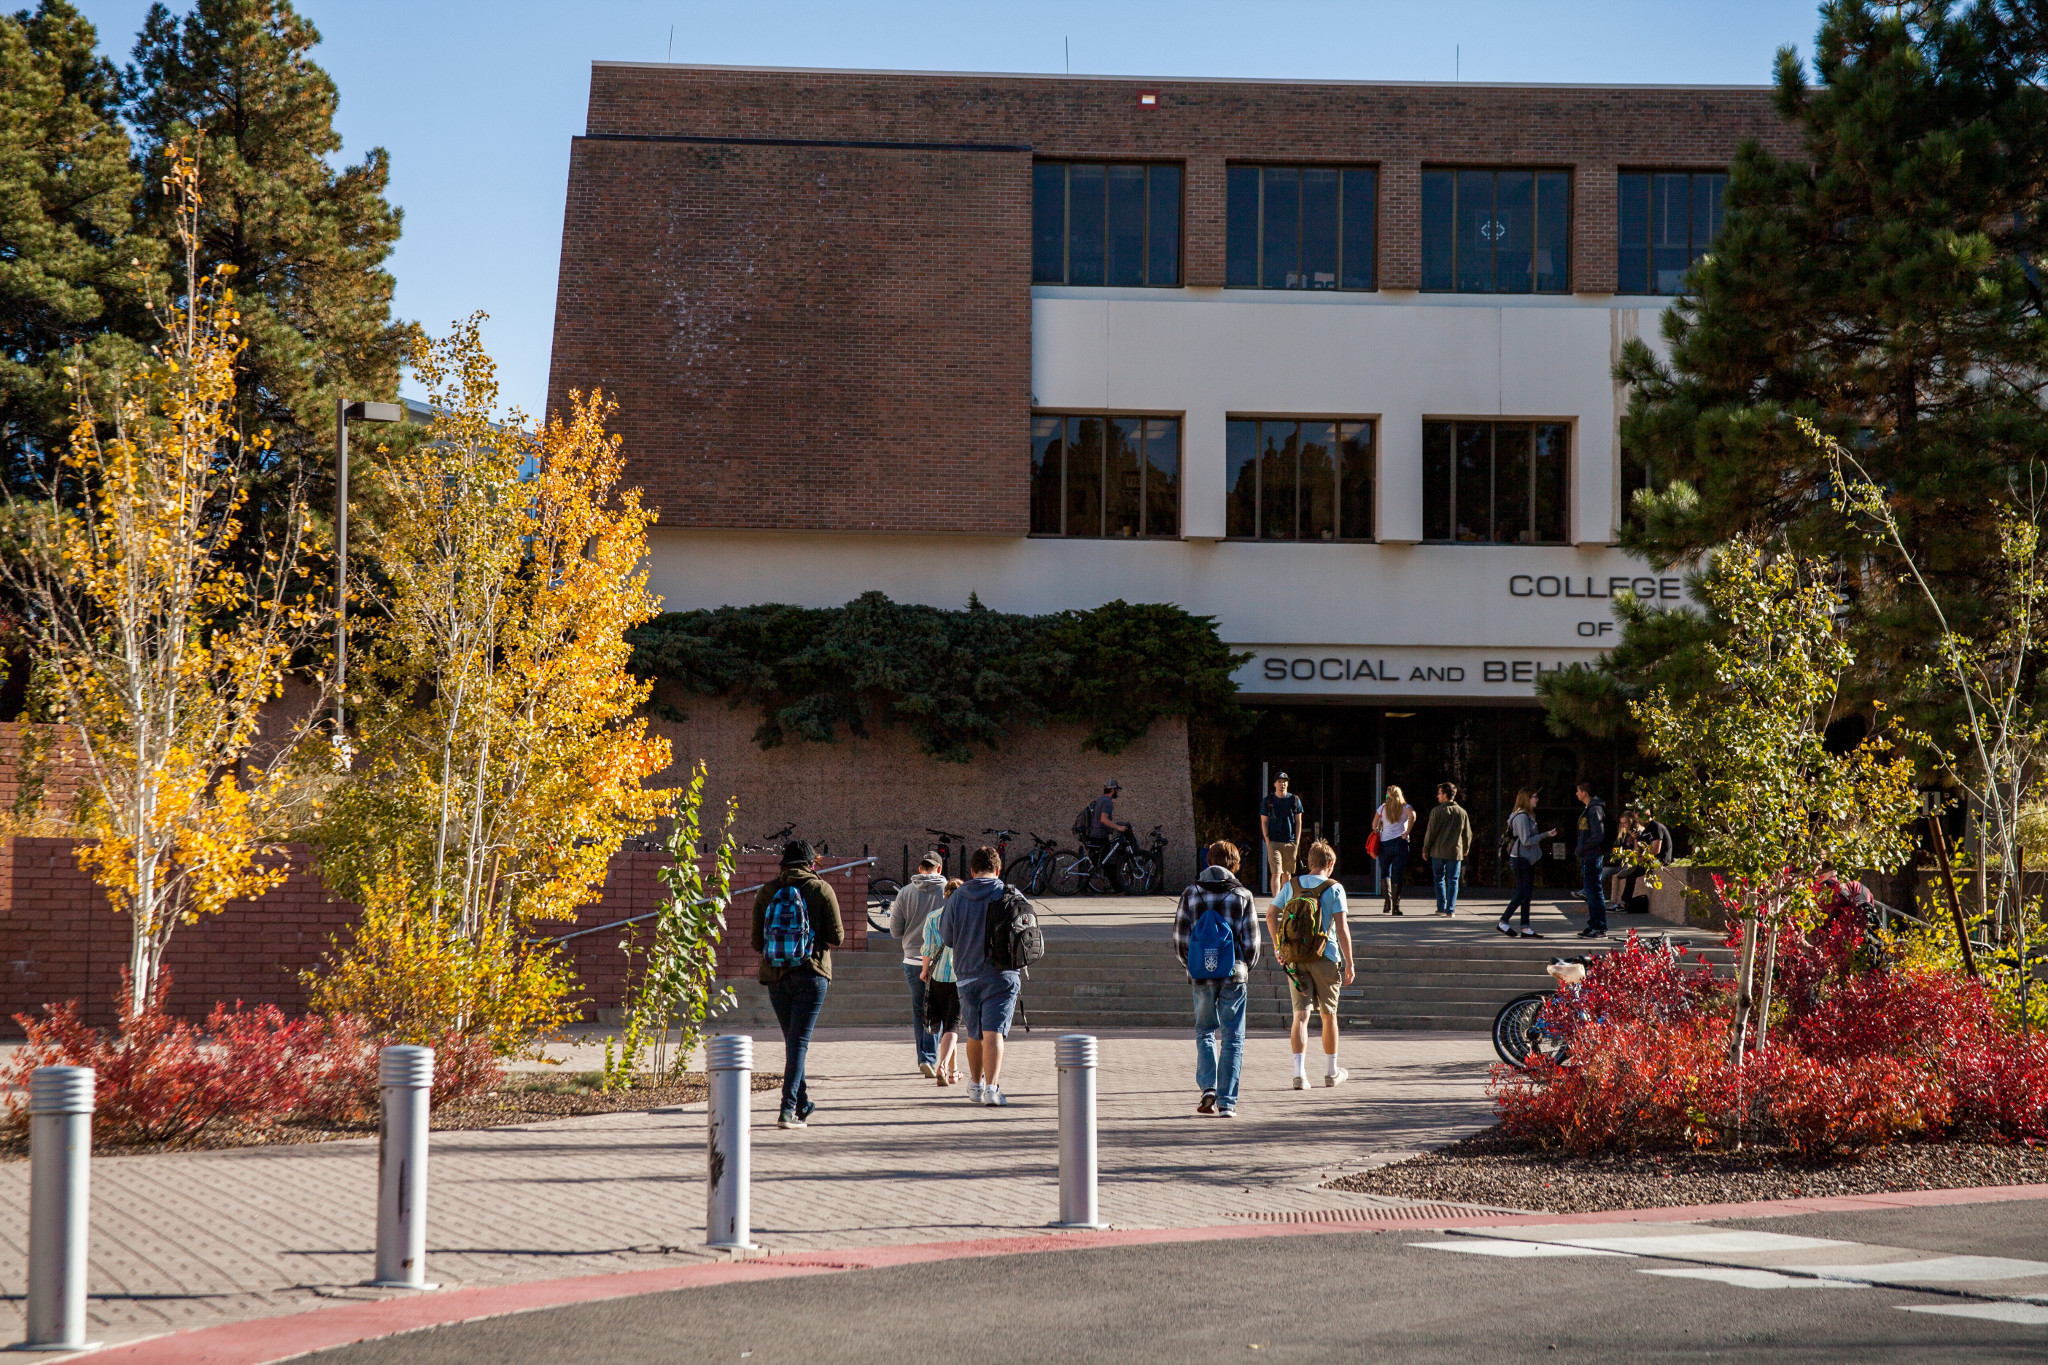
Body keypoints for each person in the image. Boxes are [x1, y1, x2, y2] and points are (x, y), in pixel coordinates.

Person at [750, 839, 843, 1130]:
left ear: (783, 863)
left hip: (776, 975)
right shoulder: (820, 889)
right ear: (810, 863)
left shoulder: (767, 891)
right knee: (798, 1042)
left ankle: (802, 1103)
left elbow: (756, 942)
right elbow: (837, 937)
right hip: (811, 973)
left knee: (793, 1042)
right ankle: (787, 1109)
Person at [1173, 839, 1260, 1117]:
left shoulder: (1190, 893)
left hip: (1201, 977)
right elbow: (1252, 943)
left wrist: (1193, 965)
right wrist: (1243, 966)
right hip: (1234, 974)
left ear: (1209, 861)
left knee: (1205, 1031)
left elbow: (1180, 939)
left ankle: (1208, 1088)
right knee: (1233, 1036)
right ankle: (1227, 1103)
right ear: (1235, 864)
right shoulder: (1243, 895)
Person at [939, 845, 1022, 1107]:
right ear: (998, 870)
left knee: (974, 1032)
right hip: (1002, 972)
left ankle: (975, 1085)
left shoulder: (957, 896)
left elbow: (947, 937)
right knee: (994, 1031)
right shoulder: (1009, 892)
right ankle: (992, 1088)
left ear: (972, 870)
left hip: (966, 974)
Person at [1268, 840, 1355, 1088]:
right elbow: (1342, 928)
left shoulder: (1291, 885)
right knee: (1329, 1016)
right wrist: (1349, 963)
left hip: (1295, 958)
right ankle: (1330, 1072)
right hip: (1326, 956)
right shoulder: (1334, 888)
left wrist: (1279, 947)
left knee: (1300, 1015)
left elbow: (1270, 915)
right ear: (1329, 864)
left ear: (1309, 862)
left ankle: (1299, 1075)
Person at [888, 852, 947, 1076]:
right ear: (939, 869)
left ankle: (923, 1057)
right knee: (937, 1009)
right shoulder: (949, 892)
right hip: (940, 958)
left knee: (918, 1009)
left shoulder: (905, 892)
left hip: (912, 958)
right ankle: (930, 1058)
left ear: (920, 869)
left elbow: (895, 931)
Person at [1497, 787, 1558, 938]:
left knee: (1527, 893)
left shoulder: (1528, 816)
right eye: (1534, 797)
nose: (1537, 799)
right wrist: (1545, 835)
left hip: (1527, 858)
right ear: (1526, 799)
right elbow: (1526, 841)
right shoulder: (1522, 817)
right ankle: (1503, 922)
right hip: (1521, 859)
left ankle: (1525, 928)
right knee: (1522, 892)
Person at [919, 881, 962, 1086]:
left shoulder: (934, 916)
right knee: (953, 1026)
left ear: (945, 895)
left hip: (938, 977)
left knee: (948, 1026)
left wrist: (924, 971)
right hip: (960, 976)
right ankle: (943, 1065)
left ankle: (953, 1071)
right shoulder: (966, 917)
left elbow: (928, 949)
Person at [1422, 782, 1473, 916]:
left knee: (1439, 879)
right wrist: (1466, 848)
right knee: (1453, 880)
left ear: (1445, 795)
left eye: (1439, 793)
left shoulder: (1437, 811)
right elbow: (1467, 833)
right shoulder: (1462, 812)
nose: (1437, 796)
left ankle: (1441, 908)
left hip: (1438, 851)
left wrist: (1425, 849)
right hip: (1455, 852)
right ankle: (1451, 910)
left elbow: (1430, 832)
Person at [1259, 772, 1305, 899]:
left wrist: (1297, 840)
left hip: (1290, 841)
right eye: (1279, 781)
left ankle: (1285, 900)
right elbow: (1264, 820)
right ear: (1274, 784)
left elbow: (1298, 821)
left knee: (1287, 873)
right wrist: (1267, 838)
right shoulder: (1268, 800)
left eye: (1284, 781)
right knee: (1276, 872)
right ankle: (1276, 901)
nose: (1282, 784)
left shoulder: (1294, 799)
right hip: (1273, 841)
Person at [1574, 780, 1609, 939]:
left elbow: (1598, 835)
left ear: (1584, 792)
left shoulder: (1595, 810)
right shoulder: (1590, 809)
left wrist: (1584, 848)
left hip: (1592, 857)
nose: (1576, 794)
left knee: (1595, 892)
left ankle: (1599, 927)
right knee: (1590, 892)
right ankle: (1593, 924)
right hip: (1588, 856)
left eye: (1578, 791)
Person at [1375, 786, 1415, 916]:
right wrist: (1407, 831)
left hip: (1385, 843)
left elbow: (1374, 825)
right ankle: (1396, 907)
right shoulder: (1405, 807)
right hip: (1400, 842)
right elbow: (1412, 816)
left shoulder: (1382, 808)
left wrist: (1381, 826)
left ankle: (1387, 903)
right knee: (1397, 873)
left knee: (1385, 872)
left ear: (1388, 796)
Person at [1086, 779, 1130, 894]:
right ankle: (1118, 889)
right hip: (1100, 836)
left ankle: (1115, 888)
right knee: (1106, 863)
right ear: (1112, 790)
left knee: (1103, 863)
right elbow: (1103, 819)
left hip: (1095, 835)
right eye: (1116, 790)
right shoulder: (1107, 802)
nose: (1117, 792)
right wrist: (1118, 827)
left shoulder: (1101, 800)